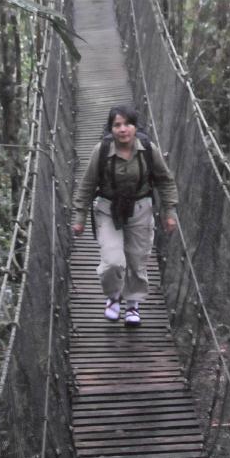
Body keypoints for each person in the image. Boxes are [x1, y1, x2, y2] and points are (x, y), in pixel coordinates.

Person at [71, 105, 179, 326]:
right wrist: (80, 217)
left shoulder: (148, 149)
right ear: (111, 129)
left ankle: (132, 304)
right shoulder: (101, 151)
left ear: (135, 127)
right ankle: (113, 297)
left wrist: (169, 211)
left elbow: (165, 181)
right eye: (117, 125)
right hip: (108, 209)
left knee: (136, 260)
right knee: (113, 262)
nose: (123, 129)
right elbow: (87, 185)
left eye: (127, 124)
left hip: (140, 209)